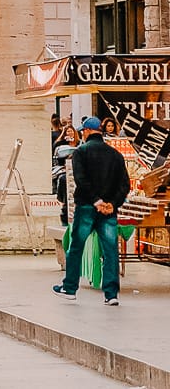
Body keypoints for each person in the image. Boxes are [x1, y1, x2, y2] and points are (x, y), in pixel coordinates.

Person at [55, 117, 131, 306]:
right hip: (109, 211)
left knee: (76, 247)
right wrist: (112, 203)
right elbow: (124, 185)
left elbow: (81, 179)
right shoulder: (116, 155)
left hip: (87, 207)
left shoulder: (81, 152)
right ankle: (111, 294)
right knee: (111, 251)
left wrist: (96, 201)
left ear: (87, 131)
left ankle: (70, 287)